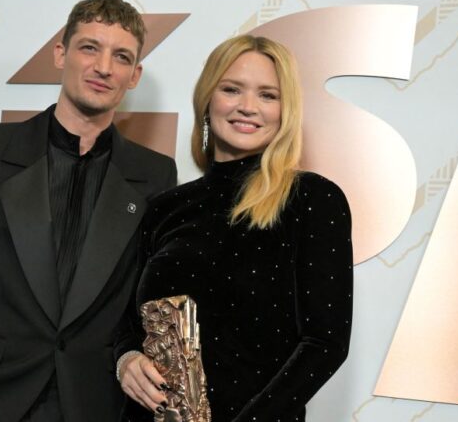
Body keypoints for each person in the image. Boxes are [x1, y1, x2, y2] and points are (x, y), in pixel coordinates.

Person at [0, 0, 177, 422]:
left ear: (134, 76)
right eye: (90, 47)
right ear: (60, 54)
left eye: (121, 56)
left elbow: (142, 300)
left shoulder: (155, 175)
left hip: (91, 403)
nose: (104, 67)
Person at [115, 35, 353, 421]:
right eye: (231, 89)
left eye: (267, 95)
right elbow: (128, 320)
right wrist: (126, 359)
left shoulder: (312, 200)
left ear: (285, 109)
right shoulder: (164, 208)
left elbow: (325, 343)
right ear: (208, 99)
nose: (247, 107)